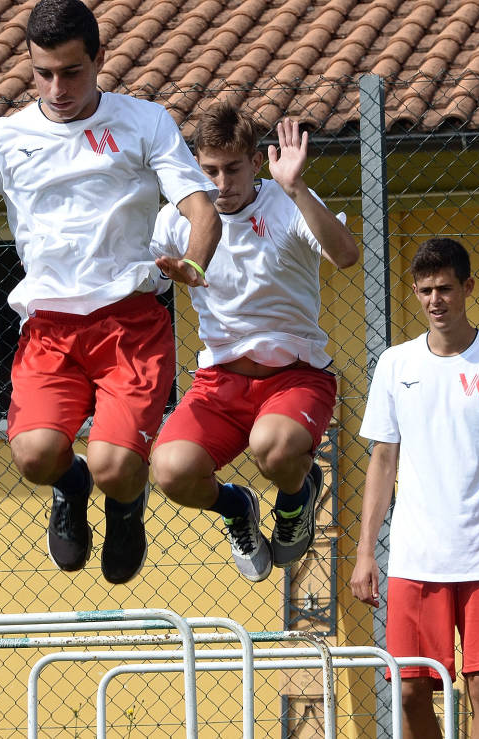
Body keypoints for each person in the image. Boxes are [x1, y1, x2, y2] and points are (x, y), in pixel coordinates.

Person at [0, 0, 221, 585]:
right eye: (43, 72)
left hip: (129, 323)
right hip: (50, 329)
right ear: (29, 64)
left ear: (98, 60)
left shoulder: (145, 122)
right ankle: (72, 486)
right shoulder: (2, 137)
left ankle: (123, 502)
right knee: (36, 457)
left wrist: (194, 262)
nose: (57, 86)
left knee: (118, 467)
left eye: (71, 71)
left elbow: (200, 206)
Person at [149, 103, 358, 582]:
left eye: (233, 169)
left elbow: (346, 255)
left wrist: (297, 186)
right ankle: (236, 507)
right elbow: (140, 281)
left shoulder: (287, 204)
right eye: (210, 171)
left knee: (274, 448)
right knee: (171, 470)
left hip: (295, 378)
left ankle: (295, 497)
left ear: (257, 162)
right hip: (220, 382)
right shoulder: (177, 221)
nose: (221, 184)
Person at [350, 238, 479, 738]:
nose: (434, 300)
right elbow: (382, 460)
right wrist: (365, 552)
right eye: (424, 291)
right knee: (411, 691)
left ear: (468, 288)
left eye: (444, 288)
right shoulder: (396, 364)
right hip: (417, 559)